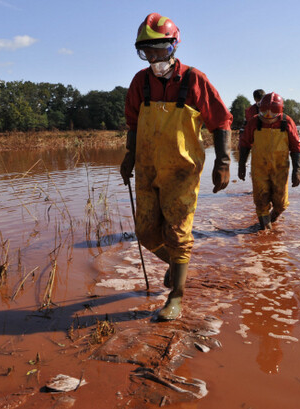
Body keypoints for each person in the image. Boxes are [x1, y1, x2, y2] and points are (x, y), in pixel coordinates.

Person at [120, 13, 233, 321]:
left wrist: (223, 161)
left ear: (174, 46)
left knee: (177, 232)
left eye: (161, 50)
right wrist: (129, 156)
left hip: (182, 172)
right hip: (147, 168)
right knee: (145, 233)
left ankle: (177, 296)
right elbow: (133, 123)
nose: (155, 58)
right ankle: (175, 263)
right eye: (147, 52)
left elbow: (221, 122)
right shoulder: (139, 83)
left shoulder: (194, 79)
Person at [238, 92, 300, 230]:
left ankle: (271, 221)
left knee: (281, 203)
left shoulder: (287, 122)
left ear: (280, 112)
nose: (268, 119)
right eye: (264, 114)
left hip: (280, 168)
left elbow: (296, 148)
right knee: (261, 201)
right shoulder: (254, 121)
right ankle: (265, 232)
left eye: (272, 116)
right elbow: (244, 144)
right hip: (259, 167)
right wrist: (241, 165)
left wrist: (297, 171)